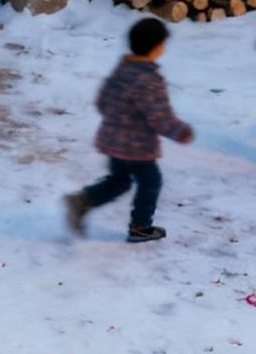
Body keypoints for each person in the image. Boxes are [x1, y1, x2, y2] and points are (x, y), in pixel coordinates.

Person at [63, 17, 193, 243]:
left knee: (120, 181)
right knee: (150, 182)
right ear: (157, 47)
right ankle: (141, 227)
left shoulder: (122, 69)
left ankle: (82, 200)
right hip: (137, 147)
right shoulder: (149, 79)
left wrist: (117, 121)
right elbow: (159, 116)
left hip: (113, 141)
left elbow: (102, 101)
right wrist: (179, 131)